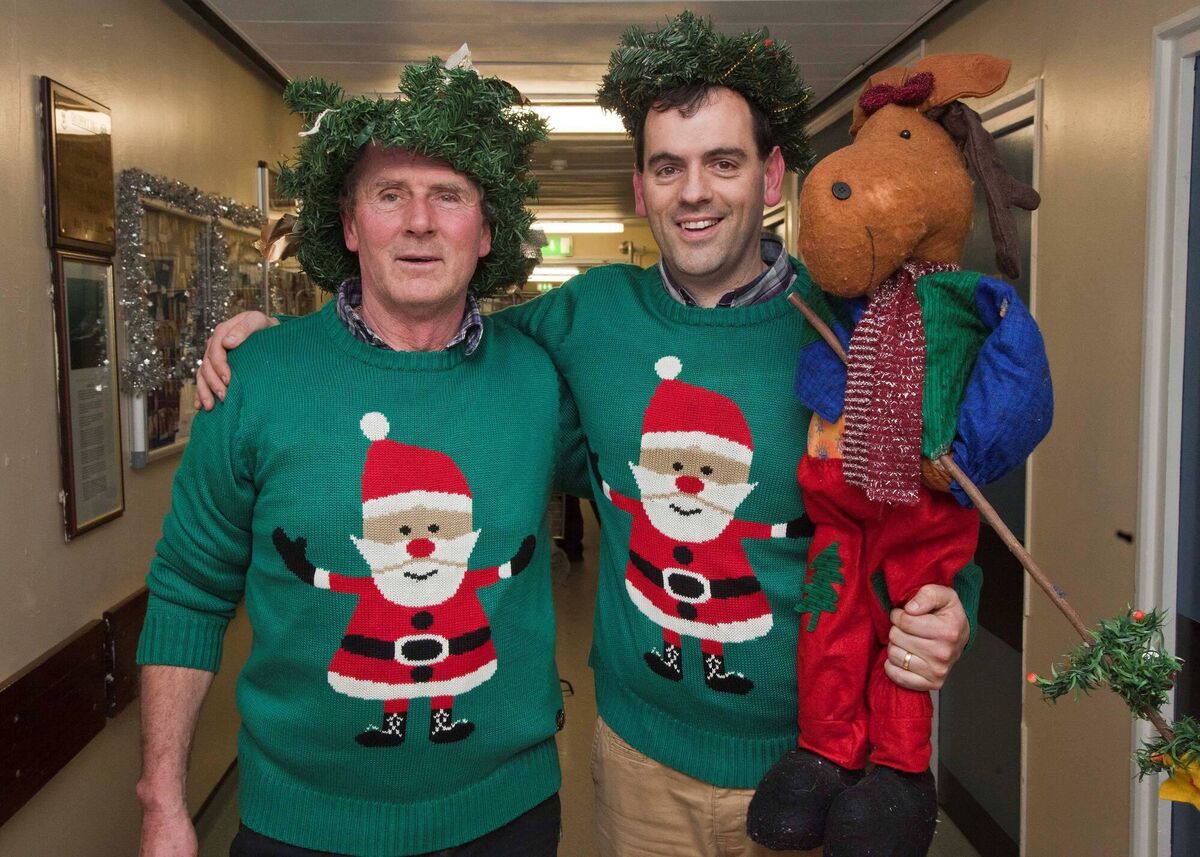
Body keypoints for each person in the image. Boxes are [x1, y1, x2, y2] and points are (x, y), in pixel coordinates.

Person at [197, 14, 1050, 857]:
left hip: (827, 762)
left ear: (771, 175)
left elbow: (929, 503)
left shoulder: (851, 331)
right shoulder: (588, 314)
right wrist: (288, 342)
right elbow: (433, 333)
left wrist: (955, 608)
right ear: (640, 188)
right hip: (641, 764)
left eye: (724, 162)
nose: (695, 191)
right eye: (668, 167)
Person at [136, 51, 582, 857]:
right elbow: (188, 592)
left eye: (448, 196)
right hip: (299, 826)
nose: (418, 221)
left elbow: (652, 476)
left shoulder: (540, 378)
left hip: (504, 818)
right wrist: (163, 799)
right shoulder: (256, 380)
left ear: (486, 230)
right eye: (389, 195)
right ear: (349, 226)